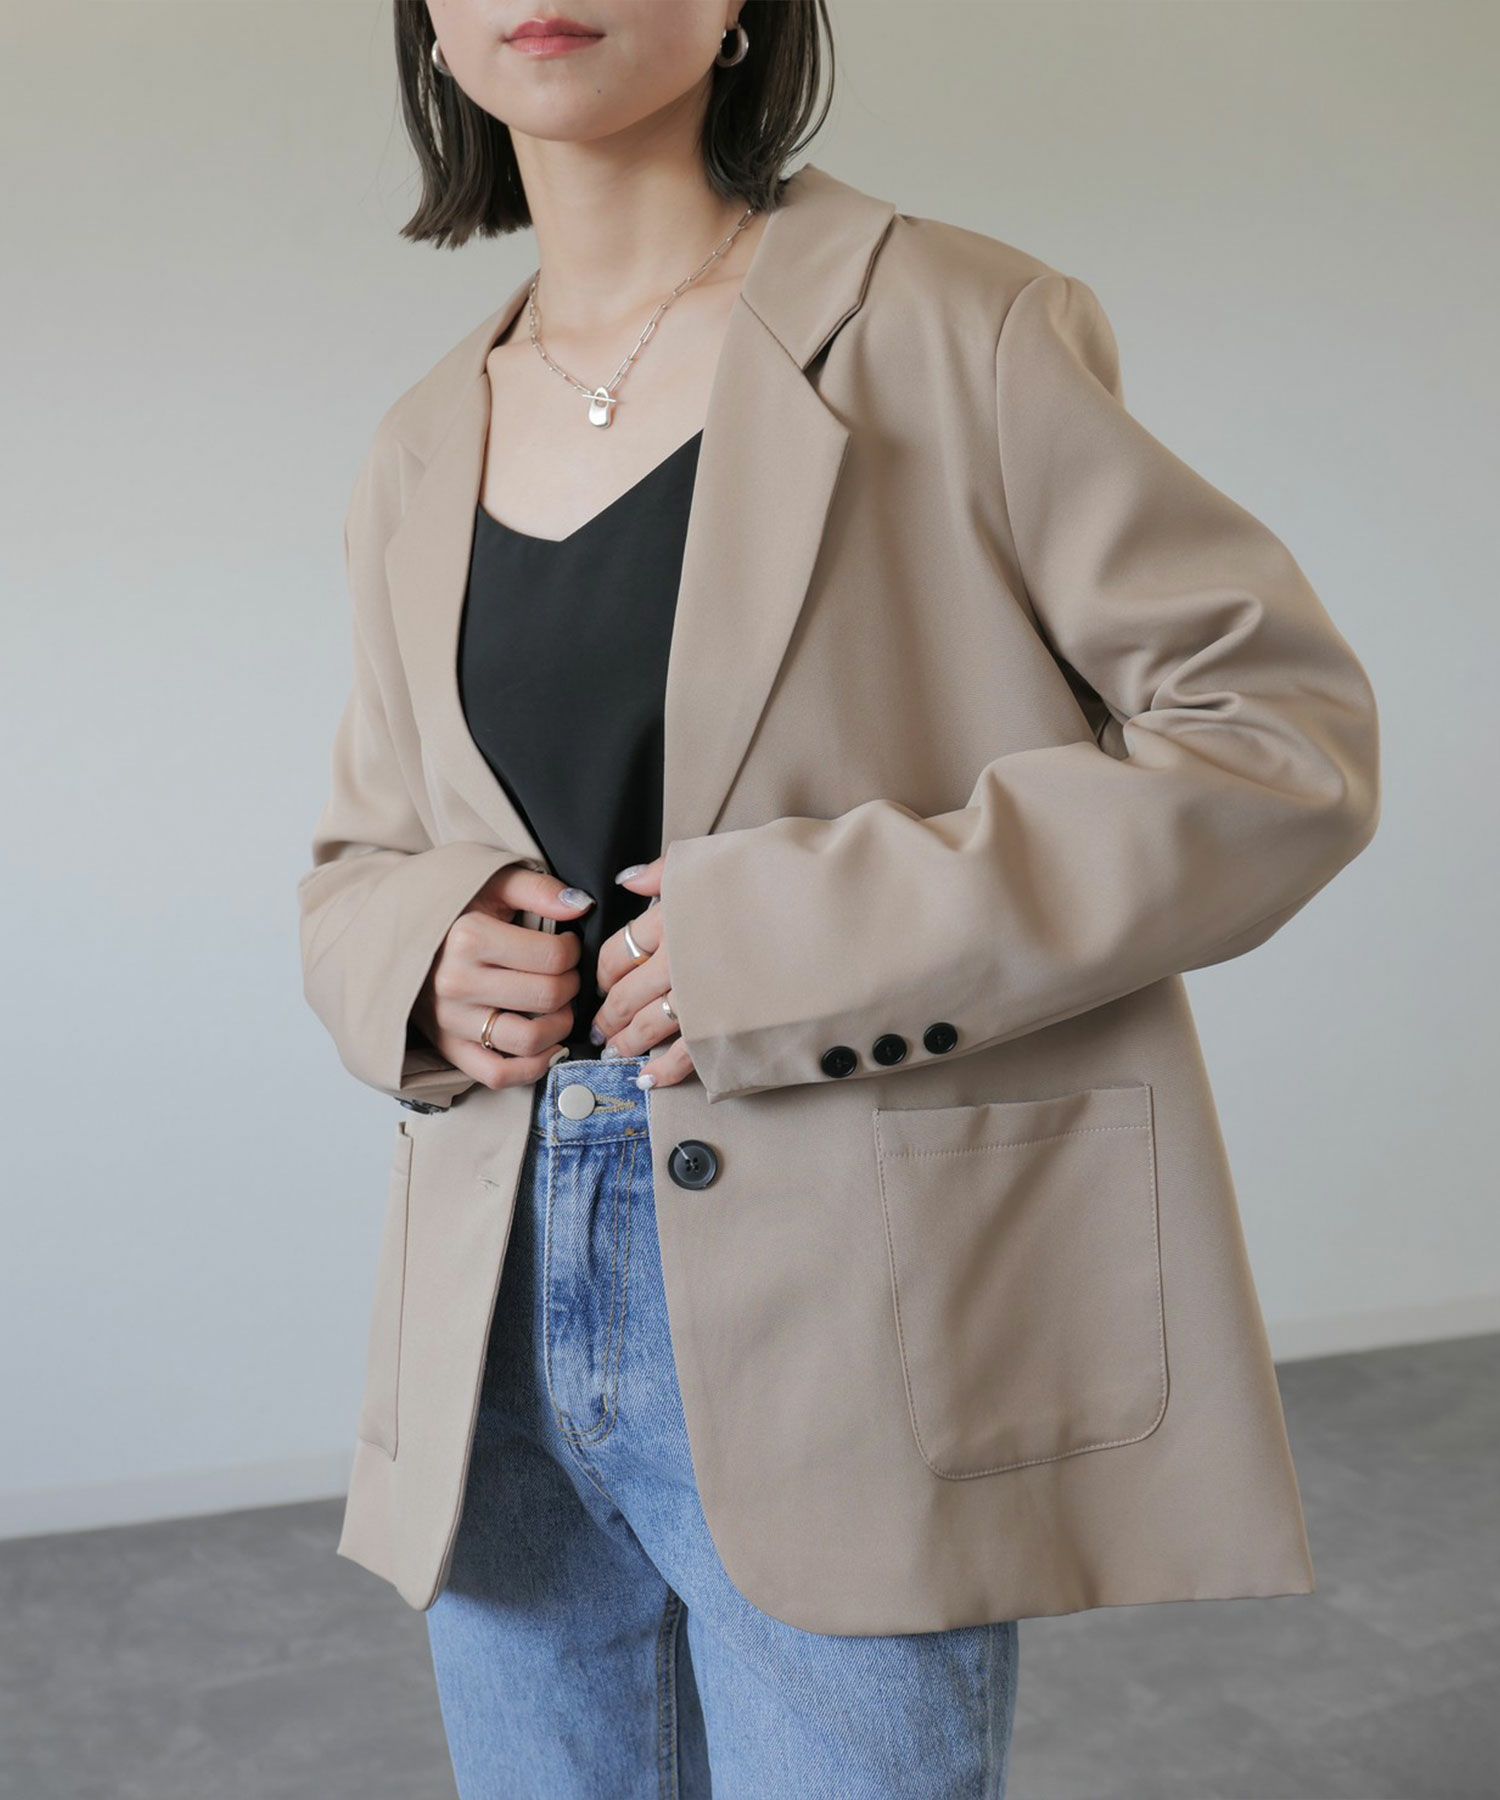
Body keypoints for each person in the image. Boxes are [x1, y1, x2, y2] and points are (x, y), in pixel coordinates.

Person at [296, 3, 1381, 1795]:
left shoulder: (958, 325)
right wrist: (424, 956)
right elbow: (358, 860)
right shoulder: (424, 437)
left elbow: (1278, 746)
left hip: (849, 1297)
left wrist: (798, 939)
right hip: (489, 1321)